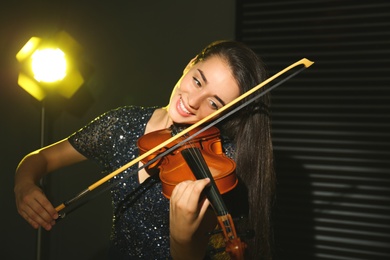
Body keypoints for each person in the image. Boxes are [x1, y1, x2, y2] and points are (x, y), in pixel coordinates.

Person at [14, 40, 275, 259]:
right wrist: (24, 184)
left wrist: (182, 239)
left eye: (214, 104)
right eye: (197, 81)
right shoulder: (121, 124)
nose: (193, 102)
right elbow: (41, 158)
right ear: (190, 64)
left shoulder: (220, 164)